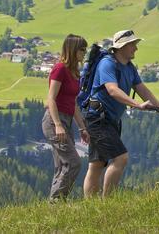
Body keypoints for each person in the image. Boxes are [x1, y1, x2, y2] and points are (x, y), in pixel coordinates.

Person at [82, 29, 159, 197]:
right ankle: (108, 201)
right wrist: (137, 105)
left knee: (97, 164)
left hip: (110, 119)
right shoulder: (107, 64)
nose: (135, 49)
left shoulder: (129, 67)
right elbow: (113, 90)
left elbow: (141, 88)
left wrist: (158, 105)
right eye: (132, 45)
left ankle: (90, 206)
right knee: (121, 158)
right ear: (121, 47)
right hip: (98, 119)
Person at [41, 33, 90, 201]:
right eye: (82, 49)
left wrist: (82, 127)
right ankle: (56, 201)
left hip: (66, 120)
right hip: (54, 120)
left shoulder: (74, 73)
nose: (84, 52)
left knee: (61, 165)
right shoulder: (60, 69)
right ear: (73, 50)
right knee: (74, 162)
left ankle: (54, 203)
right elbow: (51, 99)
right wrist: (58, 125)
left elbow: (73, 103)